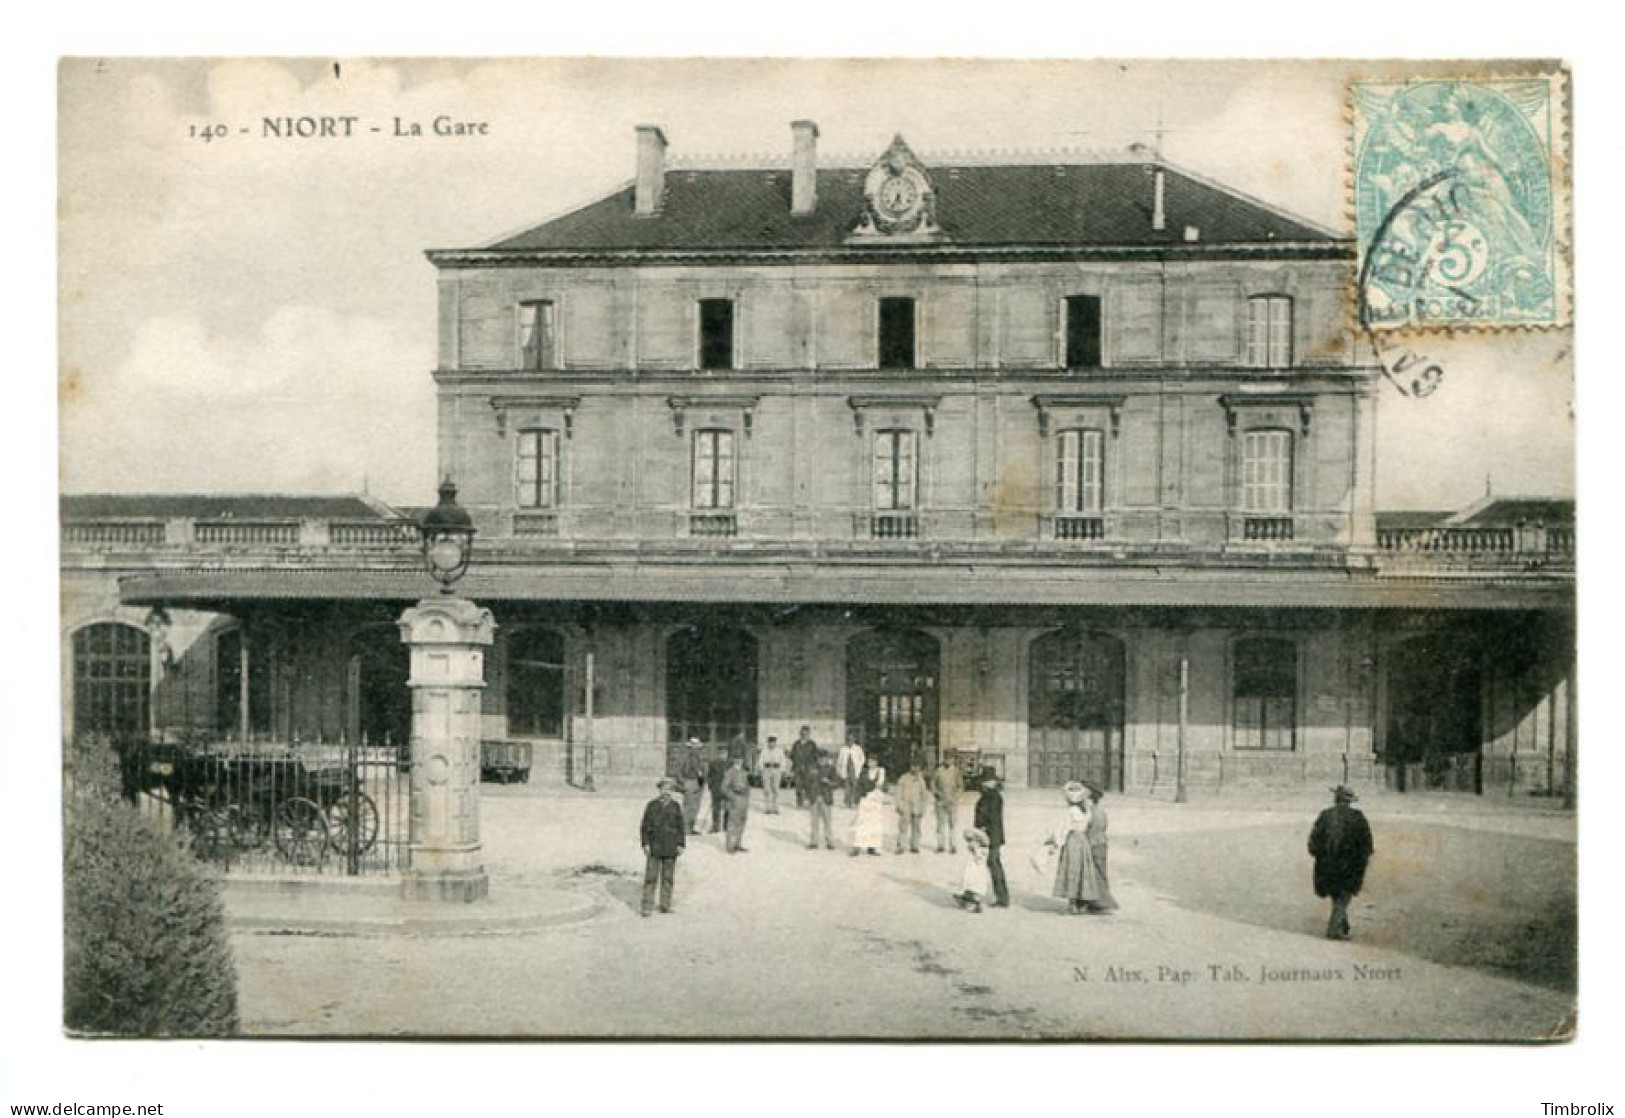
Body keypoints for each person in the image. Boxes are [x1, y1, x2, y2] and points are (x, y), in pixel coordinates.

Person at [1308, 785, 1375, 940]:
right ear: (1350, 801)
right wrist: (1364, 858)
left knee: (1336, 894)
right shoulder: (1357, 817)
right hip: (1349, 864)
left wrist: (1319, 855)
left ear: (1336, 799)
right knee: (1343, 895)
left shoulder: (1325, 815)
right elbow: (1366, 843)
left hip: (1326, 864)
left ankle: (1342, 924)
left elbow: (1313, 841)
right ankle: (1333, 929)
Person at [1045, 781, 1102, 915]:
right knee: (1083, 871)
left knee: (1071, 871)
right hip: (1083, 841)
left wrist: (1055, 844)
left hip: (1072, 841)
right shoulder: (1086, 811)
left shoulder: (1070, 811)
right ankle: (1082, 902)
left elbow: (1063, 829)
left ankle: (1073, 904)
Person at [639, 778, 687, 916]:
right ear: (659, 790)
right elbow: (644, 826)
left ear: (672, 791)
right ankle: (647, 906)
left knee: (668, 878)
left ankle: (665, 904)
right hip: (654, 847)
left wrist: (681, 844)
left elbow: (680, 827)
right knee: (650, 877)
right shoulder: (651, 806)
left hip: (670, 847)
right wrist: (645, 843)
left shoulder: (676, 807)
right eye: (664, 788)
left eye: (670, 789)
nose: (666, 792)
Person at [972, 768, 1009, 908]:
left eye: (989, 781)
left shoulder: (993, 797)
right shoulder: (987, 796)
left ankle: (1002, 897)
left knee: (993, 865)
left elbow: (992, 819)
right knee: (992, 864)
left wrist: (983, 832)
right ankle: (1000, 896)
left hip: (991, 837)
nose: (986, 783)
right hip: (987, 836)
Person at [1084, 782, 1118, 914]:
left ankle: (1102, 903)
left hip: (1095, 844)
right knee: (1098, 873)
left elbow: (1092, 830)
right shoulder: (1098, 810)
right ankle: (1095, 902)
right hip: (1100, 843)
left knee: (1096, 874)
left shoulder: (1095, 812)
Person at [893, 759, 930, 854]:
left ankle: (915, 845)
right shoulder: (904, 778)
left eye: (917, 766)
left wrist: (923, 807)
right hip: (905, 806)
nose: (915, 768)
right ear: (910, 767)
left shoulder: (921, 780)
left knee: (916, 827)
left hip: (917, 806)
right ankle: (901, 846)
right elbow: (898, 792)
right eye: (913, 766)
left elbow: (924, 795)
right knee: (903, 827)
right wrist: (899, 804)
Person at [955, 827, 993, 913]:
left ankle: (976, 905)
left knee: (975, 887)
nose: (970, 843)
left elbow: (979, 860)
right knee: (968, 884)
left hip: (977, 873)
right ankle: (967, 898)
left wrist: (976, 851)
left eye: (971, 841)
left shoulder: (982, 850)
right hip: (972, 871)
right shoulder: (975, 850)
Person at [807, 750, 839, 850]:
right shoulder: (812, 768)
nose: (822, 760)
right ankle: (814, 842)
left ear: (827, 759)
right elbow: (807, 782)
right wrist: (808, 795)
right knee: (814, 821)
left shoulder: (831, 769)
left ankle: (829, 842)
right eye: (820, 758)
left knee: (827, 821)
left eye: (824, 758)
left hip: (826, 797)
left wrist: (829, 782)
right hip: (814, 797)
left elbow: (836, 783)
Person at [931, 757, 963, 853]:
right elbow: (933, 784)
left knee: (952, 825)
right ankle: (941, 845)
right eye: (946, 758)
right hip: (940, 802)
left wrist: (956, 797)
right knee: (940, 825)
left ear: (952, 760)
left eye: (950, 759)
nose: (948, 761)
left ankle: (953, 846)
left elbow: (960, 786)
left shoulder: (956, 771)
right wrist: (936, 793)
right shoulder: (938, 771)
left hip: (952, 803)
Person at [849, 781, 889, 856]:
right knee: (861, 826)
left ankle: (872, 847)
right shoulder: (864, 772)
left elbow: (885, 788)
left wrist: (881, 788)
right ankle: (856, 848)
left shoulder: (881, 772)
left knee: (874, 827)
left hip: (876, 804)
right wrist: (857, 799)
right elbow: (858, 786)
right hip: (865, 801)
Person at [723, 756, 752, 853]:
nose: (739, 761)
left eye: (740, 759)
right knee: (732, 823)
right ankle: (730, 846)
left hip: (744, 800)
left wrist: (747, 798)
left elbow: (747, 786)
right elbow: (724, 787)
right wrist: (732, 797)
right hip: (735, 798)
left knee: (742, 822)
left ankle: (737, 843)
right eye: (737, 758)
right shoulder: (729, 772)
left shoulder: (744, 772)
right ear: (733, 760)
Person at [678, 739, 706, 835]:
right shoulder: (685, 758)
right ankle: (685, 829)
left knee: (695, 807)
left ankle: (691, 828)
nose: (696, 750)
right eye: (694, 747)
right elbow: (679, 773)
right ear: (690, 748)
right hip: (690, 782)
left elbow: (702, 771)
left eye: (698, 748)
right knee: (688, 807)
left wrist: (703, 777)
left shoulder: (700, 758)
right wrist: (684, 783)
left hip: (699, 783)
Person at [790, 726, 820, 808]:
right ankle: (799, 803)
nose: (804, 735)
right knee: (798, 786)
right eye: (802, 734)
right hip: (798, 768)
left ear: (809, 734)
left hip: (809, 768)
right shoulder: (796, 744)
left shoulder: (812, 744)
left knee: (809, 786)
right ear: (800, 734)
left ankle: (809, 803)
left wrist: (813, 767)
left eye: (806, 734)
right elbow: (792, 755)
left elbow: (816, 756)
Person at [757, 735, 787, 814]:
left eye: (773, 742)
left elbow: (783, 760)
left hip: (776, 770)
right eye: (770, 742)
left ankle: (775, 807)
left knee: (776, 789)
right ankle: (767, 807)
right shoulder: (764, 750)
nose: (772, 744)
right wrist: (761, 769)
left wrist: (782, 770)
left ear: (775, 743)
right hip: (767, 769)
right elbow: (760, 760)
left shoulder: (779, 751)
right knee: (767, 789)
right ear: (768, 743)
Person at [706, 745, 731, 835]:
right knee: (716, 808)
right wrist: (710, 786)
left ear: (727, 754)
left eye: (724, 753)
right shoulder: (713, 763)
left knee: (727, 808)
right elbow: (709, 776)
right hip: (716, 789)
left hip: (727, 790)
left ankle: (726, 826)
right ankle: (715, 826)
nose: (723, 755)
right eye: (721, 753)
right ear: (718, 754)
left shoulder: (730, 764)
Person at [836, 735, 866, 808]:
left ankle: (854, 802)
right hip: (846, 769)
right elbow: (839, 760)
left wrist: (859, 765)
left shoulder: (858, 748)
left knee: (855, 786)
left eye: (852, 740)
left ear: (854, 740)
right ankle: (847, 802)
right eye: (848, 740)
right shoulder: (843, 749)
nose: (850, 742)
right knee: (847, 787)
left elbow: (862, 759)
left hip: (854, 769)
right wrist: (839, 770)